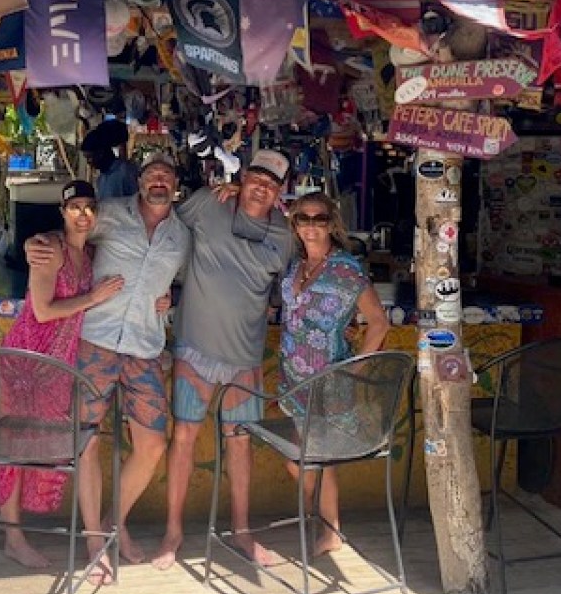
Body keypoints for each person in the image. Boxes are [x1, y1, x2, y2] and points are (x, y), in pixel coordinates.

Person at [25, 152, 190, 582]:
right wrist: (35, 241)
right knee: (88, 442)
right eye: (151, 174)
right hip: (94, 341)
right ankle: (95, 540)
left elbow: (184, 279)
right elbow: (67, 233)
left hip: (145, 348)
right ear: (139, 181)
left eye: (166, 176)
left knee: (153, 443)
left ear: (175, 187)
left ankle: (116, 523)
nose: (158, 181)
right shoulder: (109, 215)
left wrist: (168, 298)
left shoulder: (182, 236)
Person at [153, 149, 295, 571]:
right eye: (256, 177)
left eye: (271, 184)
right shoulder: (206, 203)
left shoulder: (285, 236)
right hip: (194, 352)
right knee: (183, 440)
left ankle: (242, 532)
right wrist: (161, 290)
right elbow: (161, 234)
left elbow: (278, 293)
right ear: (243, 175)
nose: (261, 186)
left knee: (240, 446)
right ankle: (172, 532)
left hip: (246, 361)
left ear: (279, 192)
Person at [0, 180, 125, 569]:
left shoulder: (88, 254)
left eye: (89, 207)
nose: (83, 214)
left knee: (36, 443)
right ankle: (13, 537)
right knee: (17, 445)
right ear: (62, 212)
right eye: (74, 207)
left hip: (57, 361)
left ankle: (16, 533)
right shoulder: (50, 250)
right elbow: (43, 311)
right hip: (29, 358)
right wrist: (93, 298)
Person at [279, 191, 390, 554]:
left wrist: (355, 368)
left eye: (319, 219)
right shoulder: (296, 266)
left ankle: (330, 529)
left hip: (329, 380)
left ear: (332, 224)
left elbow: (378, 322)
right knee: (305, 457)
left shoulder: (345, 268)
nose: (311, 226)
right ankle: (323, 520)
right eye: (303, 219)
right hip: (295, 379)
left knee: (317, 458)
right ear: (294, 224)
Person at [81, 119, 139, 200]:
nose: (88, 162)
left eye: (90, 157)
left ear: (100, 153)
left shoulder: (125, 171)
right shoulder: (101, 179)